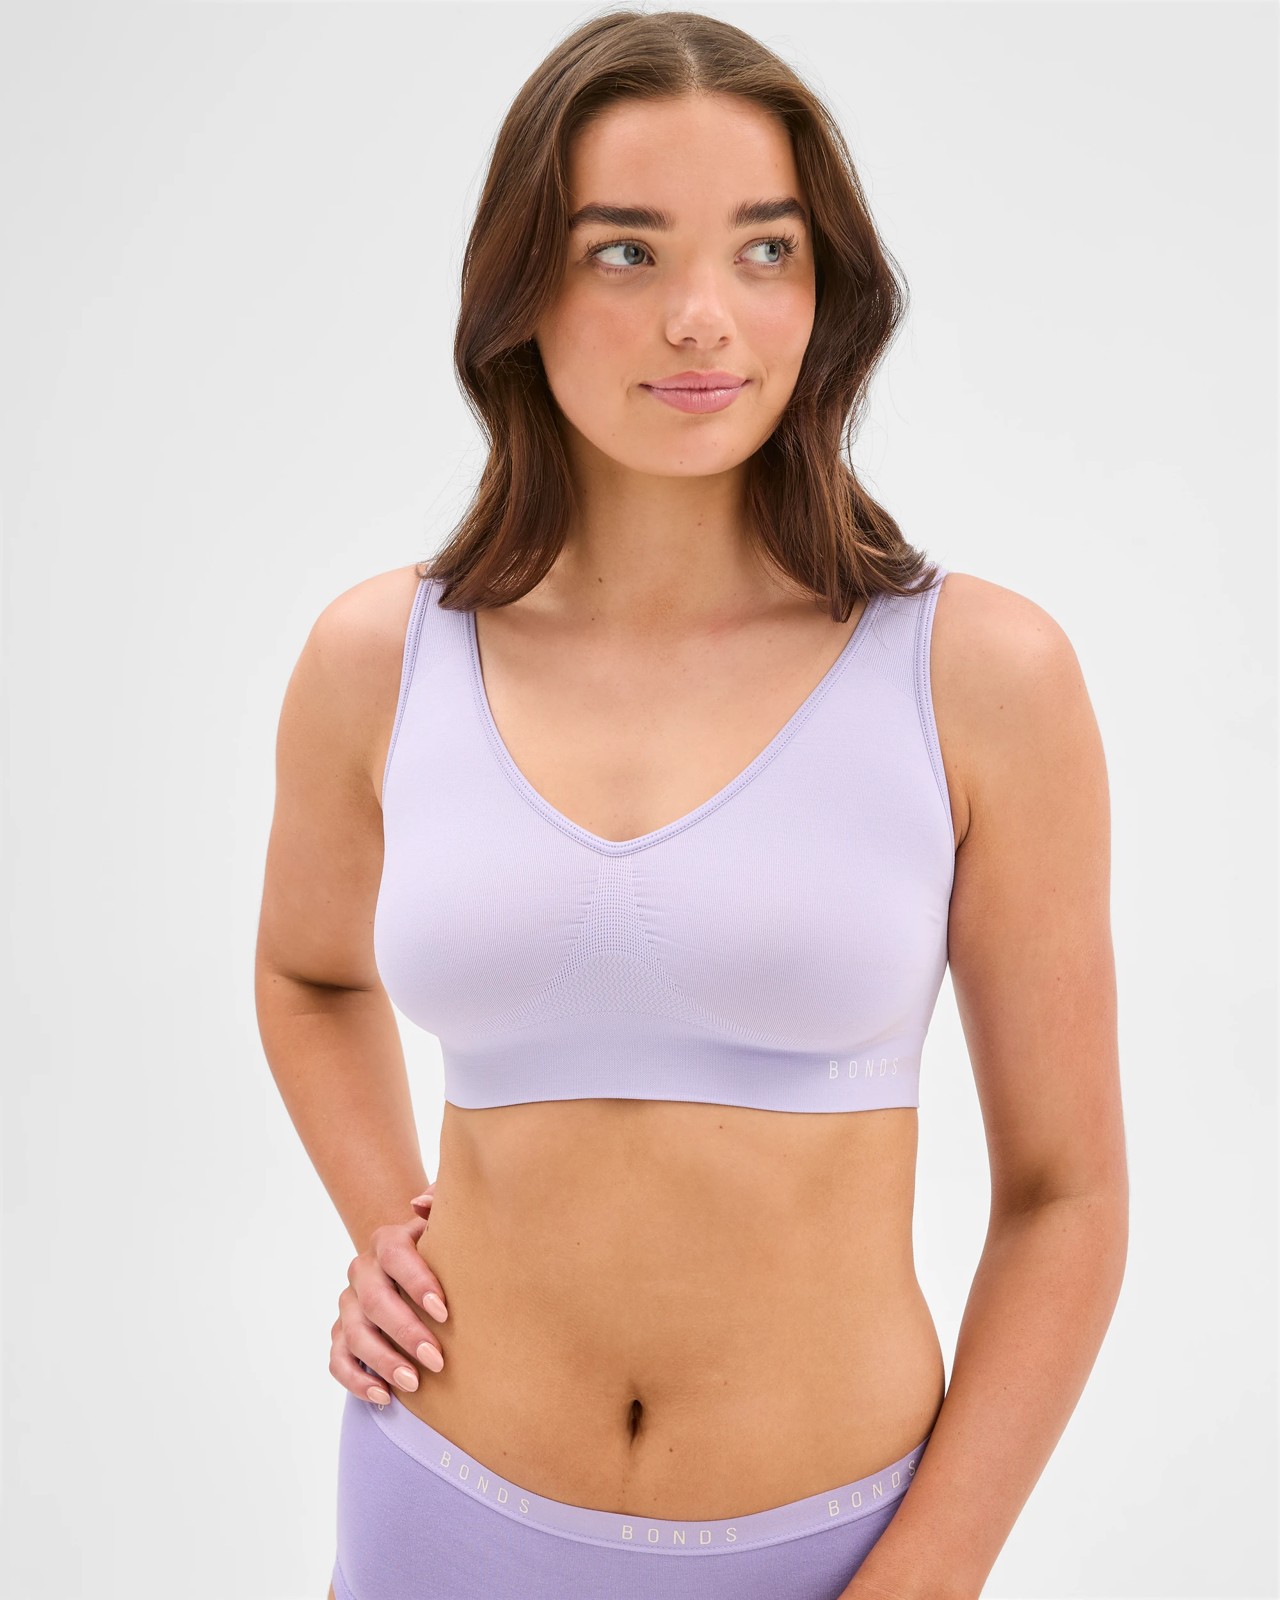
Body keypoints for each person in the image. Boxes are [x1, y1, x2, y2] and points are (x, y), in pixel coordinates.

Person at [254, 10, 1128, 1599]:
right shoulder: (381, 659)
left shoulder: (978, 677)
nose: (703, 317)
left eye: (764, 249)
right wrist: (387, 1223)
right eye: (626, 252)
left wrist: (930, 1573)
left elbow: (1067, 1198)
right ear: (520, 289)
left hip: (837, 1544)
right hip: (437, 1507)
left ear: (825, 287)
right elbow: (309, 973)